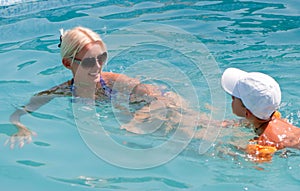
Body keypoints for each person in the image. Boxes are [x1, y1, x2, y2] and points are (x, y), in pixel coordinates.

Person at [221, 68, 300, 162]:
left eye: (234, 97)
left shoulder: (264, 141)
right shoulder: (274, 116)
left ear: (247, 113)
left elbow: (261, 164)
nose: (232, 99)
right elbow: (245, 122)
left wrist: (229, 149)